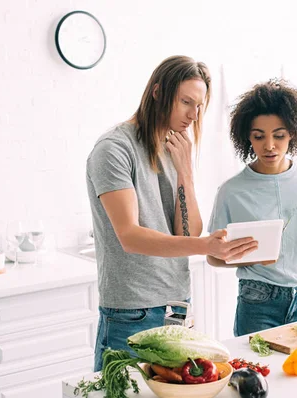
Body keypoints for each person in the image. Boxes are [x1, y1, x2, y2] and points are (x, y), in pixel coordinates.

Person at [86, 55, 258, 371]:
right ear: (157, 92)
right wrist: (207, 246)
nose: (193, 115)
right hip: (131, 311)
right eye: (185, 102)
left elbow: (187, 232)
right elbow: (130, 237)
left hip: (176, 307)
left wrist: (185, 173)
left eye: (200, 106)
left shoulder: (173, 146)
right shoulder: (114, 149)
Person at [207, 79, 297, 337]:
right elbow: (213, 256)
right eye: (259, 136)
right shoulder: (231, 191)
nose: (269, 145)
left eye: (279, 135)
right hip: (257, 300)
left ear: (293, 133)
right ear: (247, 137)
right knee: (256, 374)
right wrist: (250, 255)